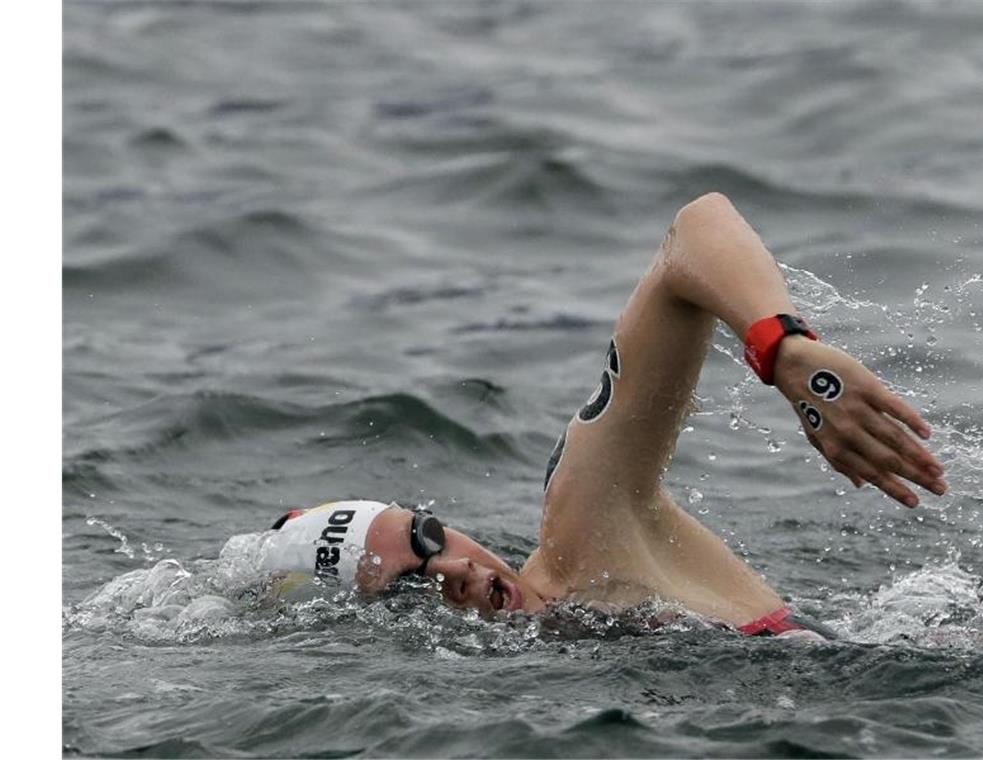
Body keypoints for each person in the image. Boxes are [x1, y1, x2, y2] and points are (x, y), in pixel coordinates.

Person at [257, 192, 947, 638]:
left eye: (431, 537)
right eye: (411, 587)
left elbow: (694, 233)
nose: (455, 572)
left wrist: (783, 349)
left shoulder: (586, 535)